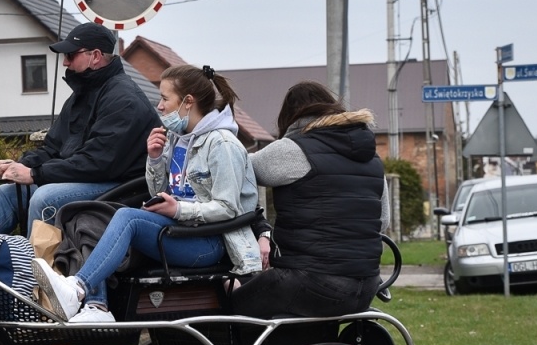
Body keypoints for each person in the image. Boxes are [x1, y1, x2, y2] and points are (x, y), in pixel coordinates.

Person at [35, 64, 261, 324]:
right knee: (85, 220)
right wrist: (154, 159)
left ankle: (76, 290)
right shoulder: (178, 138)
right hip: (178, 230)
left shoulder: (222, 144)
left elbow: (228, 209)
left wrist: (178, 209)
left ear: (188, 102)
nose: (160, 106)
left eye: (165, 98)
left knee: (127, 217)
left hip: (208, 243)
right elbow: (159, 192)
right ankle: (97, 307)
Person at [0, 21, 159, 259]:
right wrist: (21, 166)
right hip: (90, 176)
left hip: (121, 186)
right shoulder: (82, 95)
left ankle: (32, 280)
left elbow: (98, 162)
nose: (65, 62)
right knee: (6, 193)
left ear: (96, 56)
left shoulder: (124, 99)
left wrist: (36, 174)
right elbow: (53, 147)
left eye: (71, 55)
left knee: (44, 198)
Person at [231, 80, 386, 318]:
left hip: (312, 281)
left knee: (231, 306)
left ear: (291, 117)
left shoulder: (294, 149)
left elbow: (237, 170)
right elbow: (382, 221)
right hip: (366, 285)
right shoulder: (372, 159)